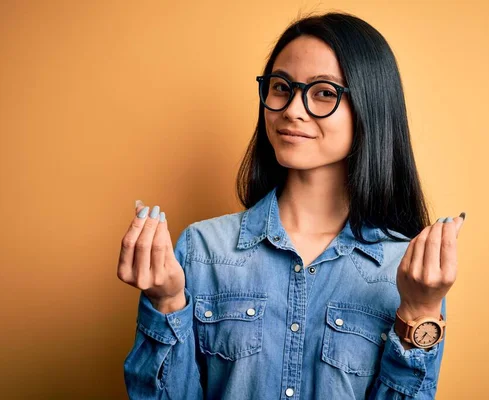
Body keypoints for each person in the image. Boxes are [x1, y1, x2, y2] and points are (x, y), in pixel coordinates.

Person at [118, 11, 466, 400]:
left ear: (370, 106)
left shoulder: (406, 272)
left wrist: (420, 313)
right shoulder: (202, 251)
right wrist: (164, 303)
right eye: (281, 87)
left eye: (324, 93)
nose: (292, 110)